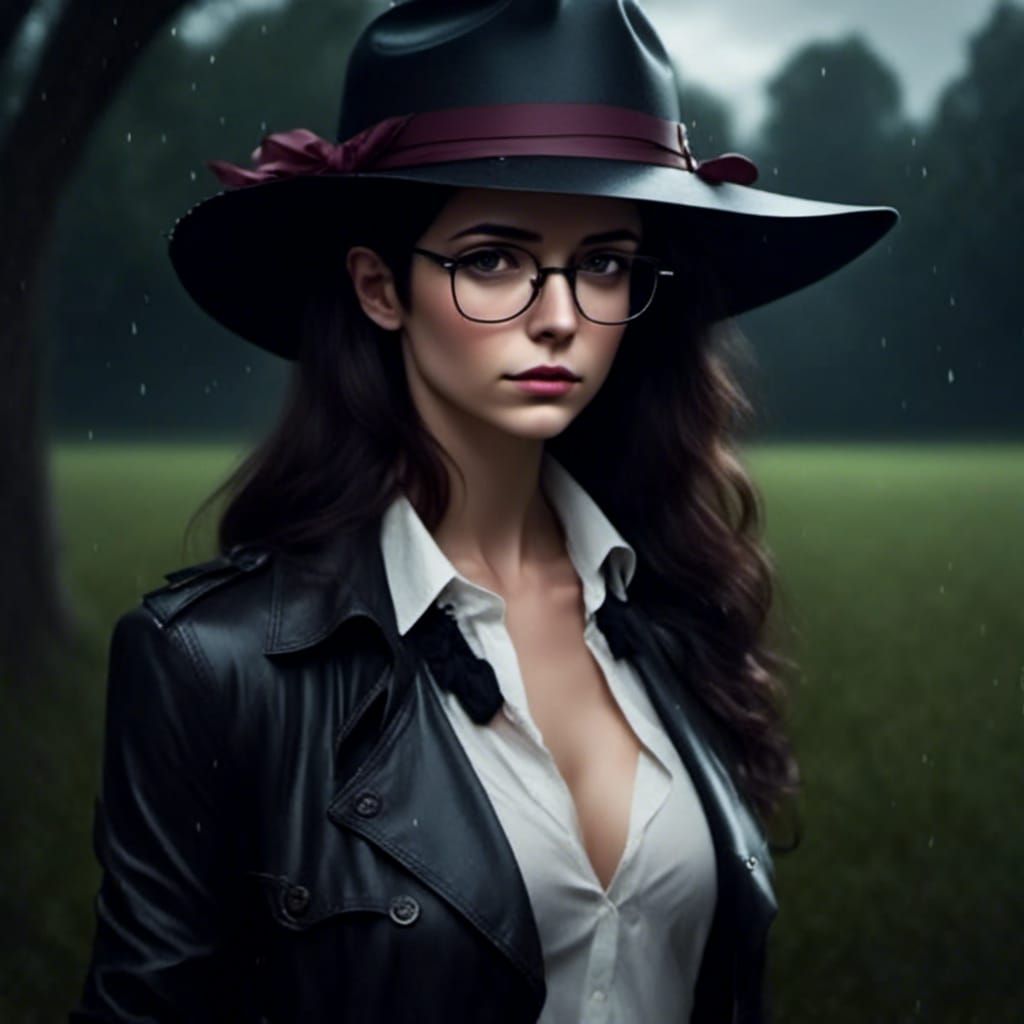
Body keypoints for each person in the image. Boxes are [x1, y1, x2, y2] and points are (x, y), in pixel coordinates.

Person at [70, 2, 899, 1022]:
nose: (559, 317)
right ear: (380, 287)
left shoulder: (673, 608)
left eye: (601, 262)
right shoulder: (214, 667)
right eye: (494, 258)